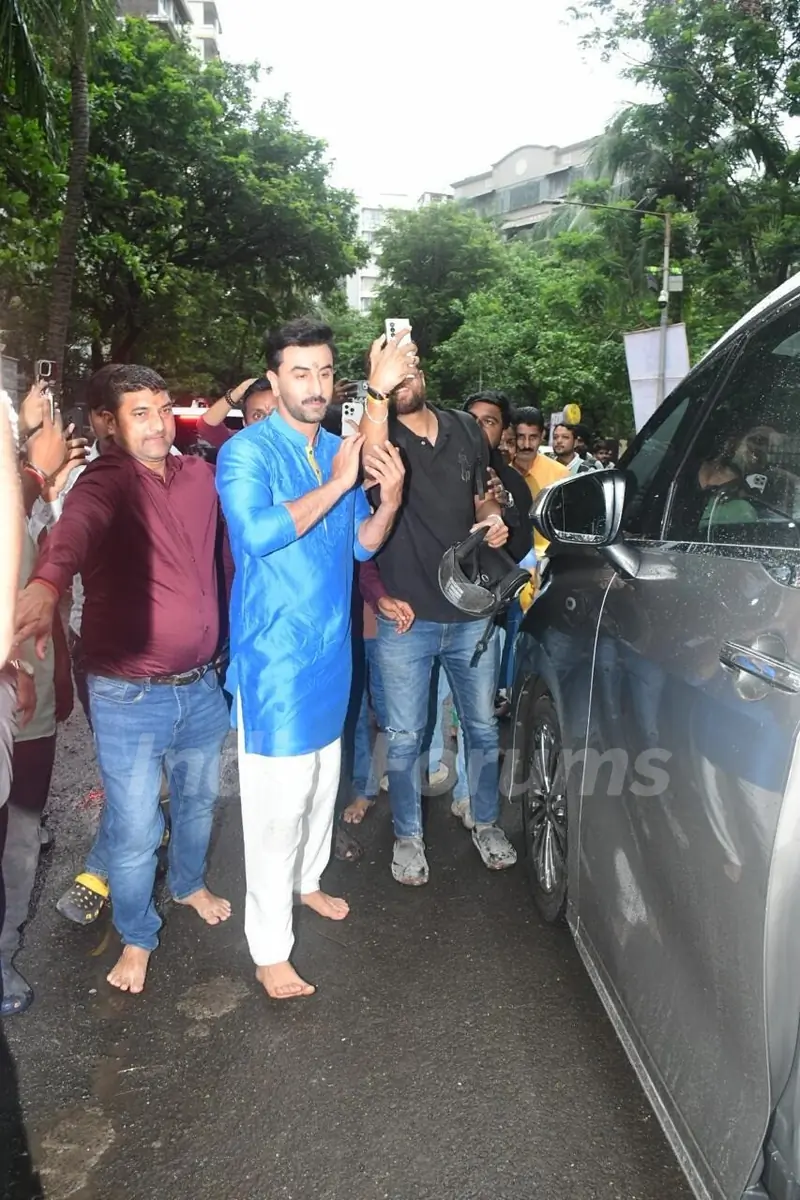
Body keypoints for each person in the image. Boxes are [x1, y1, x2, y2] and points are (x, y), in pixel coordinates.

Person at [14, 364, 232, 996]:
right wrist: (47, 582)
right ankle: (138, 934)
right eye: (141, 413)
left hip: (200, 685)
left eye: (164, 409)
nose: (160, 424)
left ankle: (188, 884)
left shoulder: (198, 477)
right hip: (128, 693)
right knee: (136, 829)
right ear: (108, 422)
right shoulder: (103, 482)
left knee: (195, 803)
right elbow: (74, 534)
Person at [216, 317, 406, 1001]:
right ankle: (269, 950)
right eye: (301, 372)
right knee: (276, 808)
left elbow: (360, 543)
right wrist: (338, 479)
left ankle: (309, 881)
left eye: (326, 371)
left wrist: (389, 501)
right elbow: (261, 534)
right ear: (272, 380)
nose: (316, 385)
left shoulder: (334, 447)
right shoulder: (245, 453)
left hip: (330, 654)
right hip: (276, 663)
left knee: (324, 787)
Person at [359, 331, 517, 886]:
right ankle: (407, 835)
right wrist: (378, 389)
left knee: (481, 727)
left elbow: (484, 497)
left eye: (409, 370)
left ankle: (487, 819)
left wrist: (493, 520)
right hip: (407, 619)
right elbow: (370, 458)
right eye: (389, 375)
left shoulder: (467, 428)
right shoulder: (374, 437)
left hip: (471, 613)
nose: (403, 381)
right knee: (404, 736)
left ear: (423, 373)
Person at [197, 378, 276, 449]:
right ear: (245, 423)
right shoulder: (238, 447)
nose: (267, 421)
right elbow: (206, 426)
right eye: (258, 416)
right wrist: (240, 390)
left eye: (276, 414)